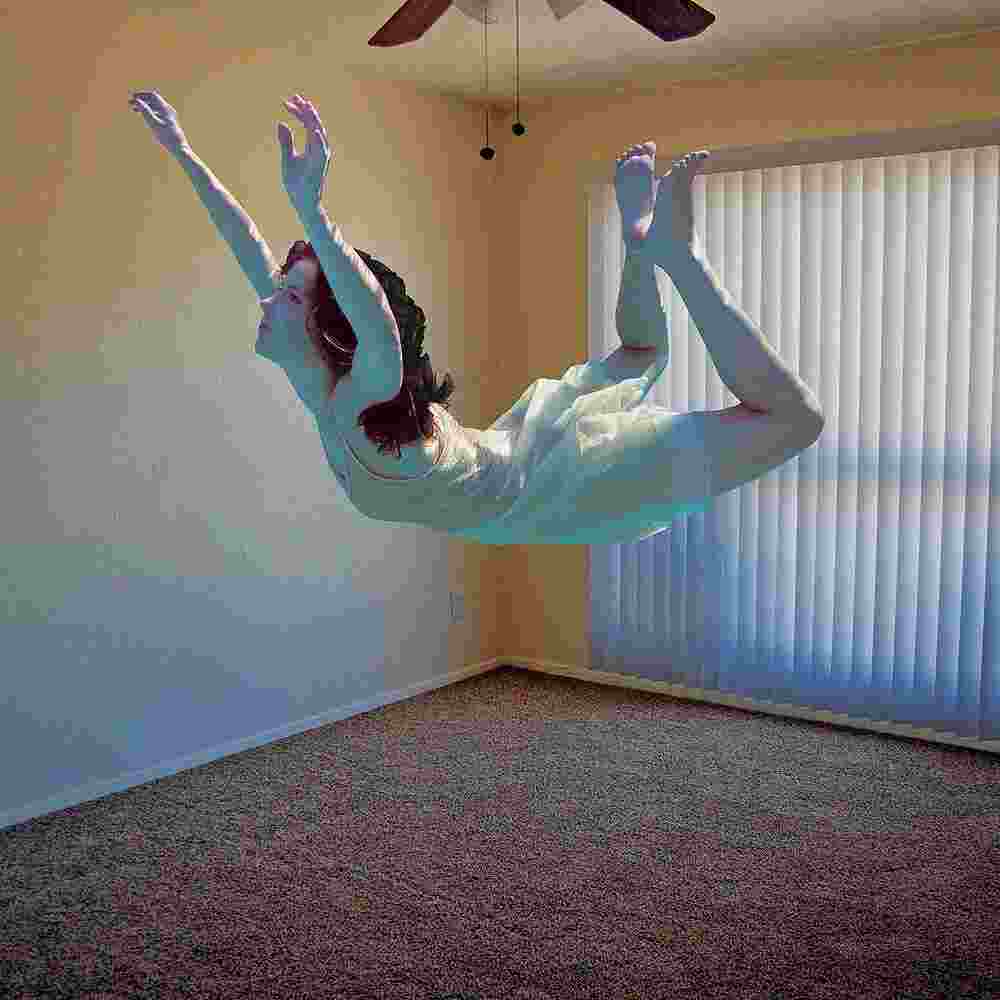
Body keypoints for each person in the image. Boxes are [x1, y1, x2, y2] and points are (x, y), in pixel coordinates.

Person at [130, 90, 824, 545]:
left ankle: (678, 256)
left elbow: (378, 323)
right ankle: (643, 243)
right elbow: (247, 244)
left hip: (562, 485)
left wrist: (314, 213)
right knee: (642, 352)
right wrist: (183, 153)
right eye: (283, 293)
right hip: (522, 462)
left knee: (794, 421)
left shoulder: (364, 391)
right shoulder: (328, 379)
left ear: (333, 331)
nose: (265, 298)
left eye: (285, 296)